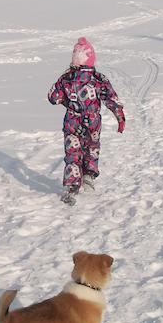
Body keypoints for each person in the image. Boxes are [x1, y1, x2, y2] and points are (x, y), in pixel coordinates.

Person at [47, 37, 126, 206]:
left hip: (72, 123)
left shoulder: (66, 78)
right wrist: (120, 117)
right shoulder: (99, 79)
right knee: (92, 148)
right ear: (91, 59)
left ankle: (71, 187)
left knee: (73, 153)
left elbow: (52, 97)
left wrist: (66, 101)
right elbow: (111, 99)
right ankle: (89, 175)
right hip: (92, 123)